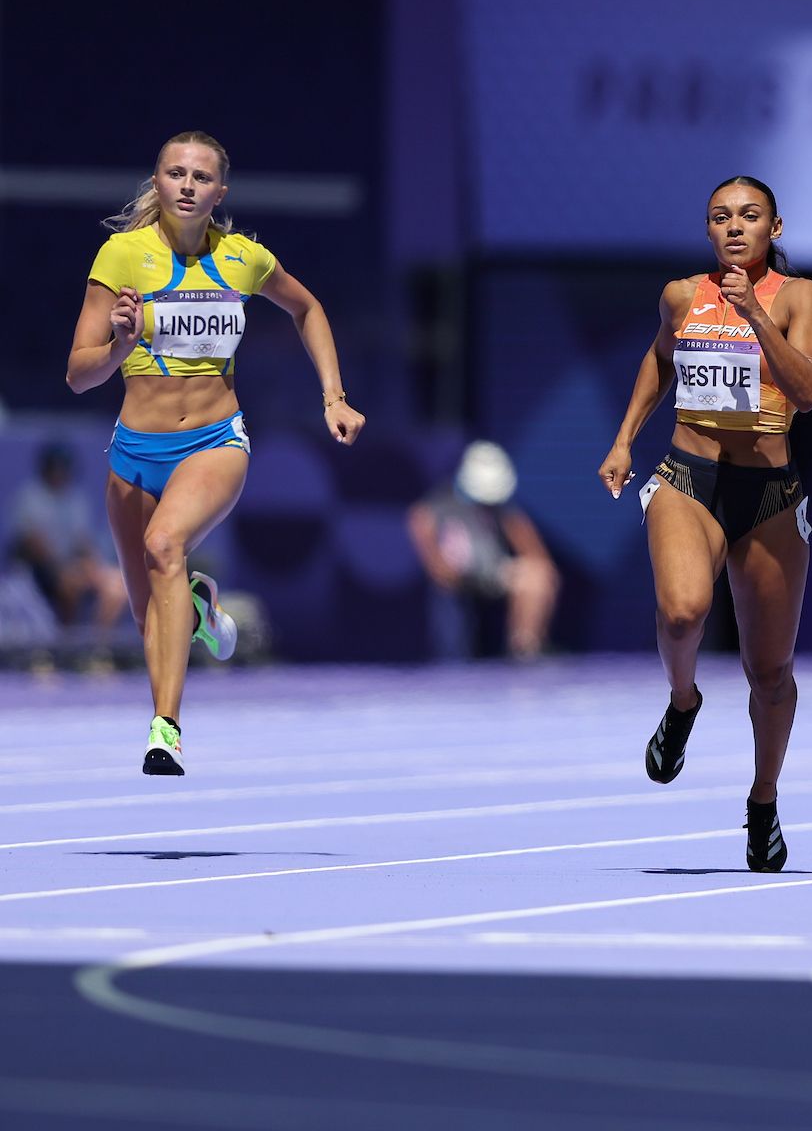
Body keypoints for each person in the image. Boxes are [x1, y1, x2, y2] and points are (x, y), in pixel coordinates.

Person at [66, 132, 364, 774]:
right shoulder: (121, 256)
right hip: (132, 455)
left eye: (201, 177)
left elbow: (307, 309)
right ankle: (198, 606)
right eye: (175, 173)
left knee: (163, 546)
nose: (187, 185)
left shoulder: (243, 259)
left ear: (218, 192)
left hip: (214, 442)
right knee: (152, 614)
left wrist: (333, 397)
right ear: (159, 180)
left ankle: (164, 730)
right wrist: (119, 345)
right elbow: (78, 375)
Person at [598, 177, 812, 872]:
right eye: (720, 218)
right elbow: (659, 358)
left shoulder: (799, 297)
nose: (734, 227)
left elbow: (809, 391)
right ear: (707, 232)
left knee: (770, 671)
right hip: (688, 477)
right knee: (681, 613)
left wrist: (754, 318)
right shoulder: (679, 295)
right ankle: (682, 699)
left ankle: (762, 801)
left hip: (769, 494)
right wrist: (624, 439)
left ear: (775, 228)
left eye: (749, 216)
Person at [409, 440, 558, 661]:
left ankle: (525, 649)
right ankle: (450, 663)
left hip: (494, 575)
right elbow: (438, 570)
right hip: (455, 581)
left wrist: (504, 574)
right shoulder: (433, 510)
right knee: (445, 602)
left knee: (537, 577)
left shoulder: (505, 510)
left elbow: (537, 557)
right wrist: (463, 575)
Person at [5, 442, 129, 637]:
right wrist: (65, 569)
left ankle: (98, 644)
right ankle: (64, 643)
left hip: (72, 565)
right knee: (69, 585)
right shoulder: (30, 497)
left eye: (63, 468)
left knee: (117, 586)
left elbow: (82, 542)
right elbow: (34, 545)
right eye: (55, 468)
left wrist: (93, 566)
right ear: (45, 469)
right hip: (41, 569)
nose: (59, 474)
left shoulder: (76, 499)